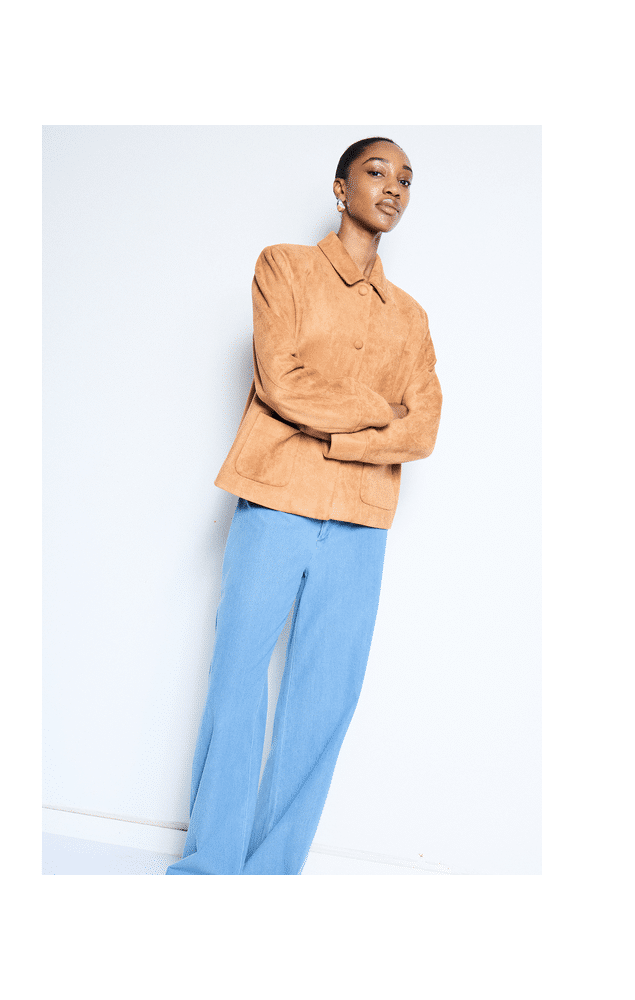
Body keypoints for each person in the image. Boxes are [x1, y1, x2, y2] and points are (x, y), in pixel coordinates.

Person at [165, 137, 442, 875]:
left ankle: (270, 877)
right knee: (237, 681)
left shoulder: (410, 318)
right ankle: (209, 870)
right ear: (340, 187)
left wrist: (343, 435)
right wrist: (375, 411)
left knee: (323, 705)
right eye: (376, 172)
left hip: (362, 520)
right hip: (276, 498)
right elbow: (280, 382)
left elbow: (422, 428)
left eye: (406, 179)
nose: (393, 187)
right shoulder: (283, 268)